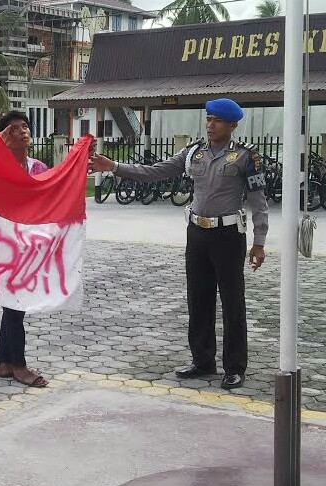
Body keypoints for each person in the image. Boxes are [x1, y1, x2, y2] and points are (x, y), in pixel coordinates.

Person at [90, 98, 269, 389]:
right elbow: (157, 171)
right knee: (198, 299)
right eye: (208, 119)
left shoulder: (246, 157)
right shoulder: (193, 153)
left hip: (228, 237)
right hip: (197, 233)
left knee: (232, 303)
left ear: (232, 125)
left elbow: (258, 204)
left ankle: (234, 366)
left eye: (217, 121)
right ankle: (202, 360)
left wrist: (259, 242)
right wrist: (114, 166)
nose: (210, 125)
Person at [0, 111, 50, 388]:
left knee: (13, 304)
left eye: (25, 126)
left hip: (30, 246)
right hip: (2, 245)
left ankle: (4, 362)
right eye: (13, 129)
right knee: (16, 304)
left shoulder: (39, 168)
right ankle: (19, 365)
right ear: (3, 137)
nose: (22, 131)